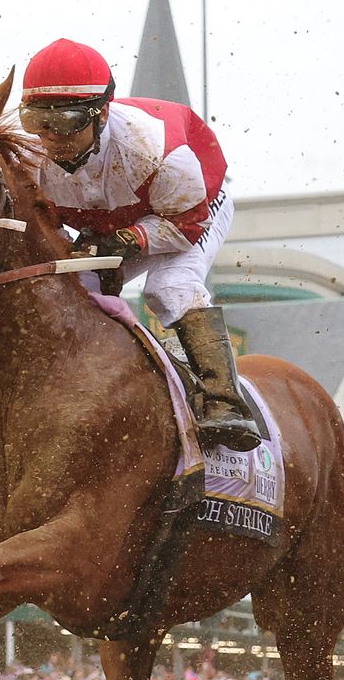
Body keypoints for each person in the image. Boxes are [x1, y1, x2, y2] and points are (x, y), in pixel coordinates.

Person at [18, 37, 260, 451]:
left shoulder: (157, 151)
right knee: (70, 289)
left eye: (66, 123)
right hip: (112, 216)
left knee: (168, 288)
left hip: (191, 210)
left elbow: (185, 226)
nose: (50, 138)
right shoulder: (30, 156)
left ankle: (225, 401)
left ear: (102, 113)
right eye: (37, 122)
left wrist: (125, 240)